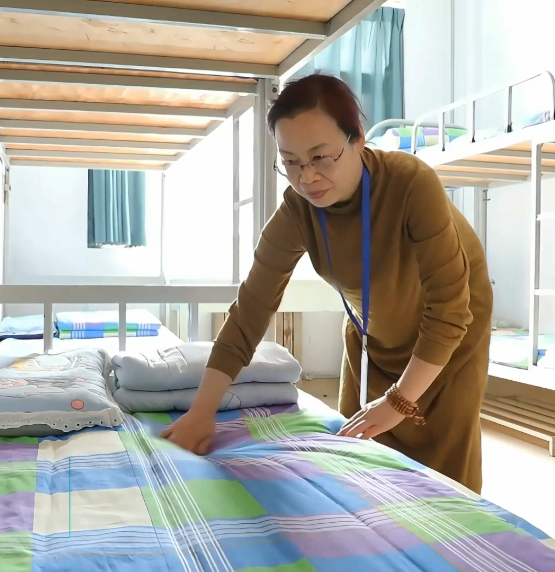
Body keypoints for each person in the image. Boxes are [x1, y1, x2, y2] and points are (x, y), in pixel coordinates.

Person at [160, 73, 493, 493]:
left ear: (357, 140)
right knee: (355, 463)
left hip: (449, 340)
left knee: (442, 478)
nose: (307, 178)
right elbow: (250, 311)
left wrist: (398, 401)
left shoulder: (411, 184)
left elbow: (450, 310)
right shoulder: (298, 209)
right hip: (373, 336)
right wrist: (201, 412)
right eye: (291, 162)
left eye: (320, 157)